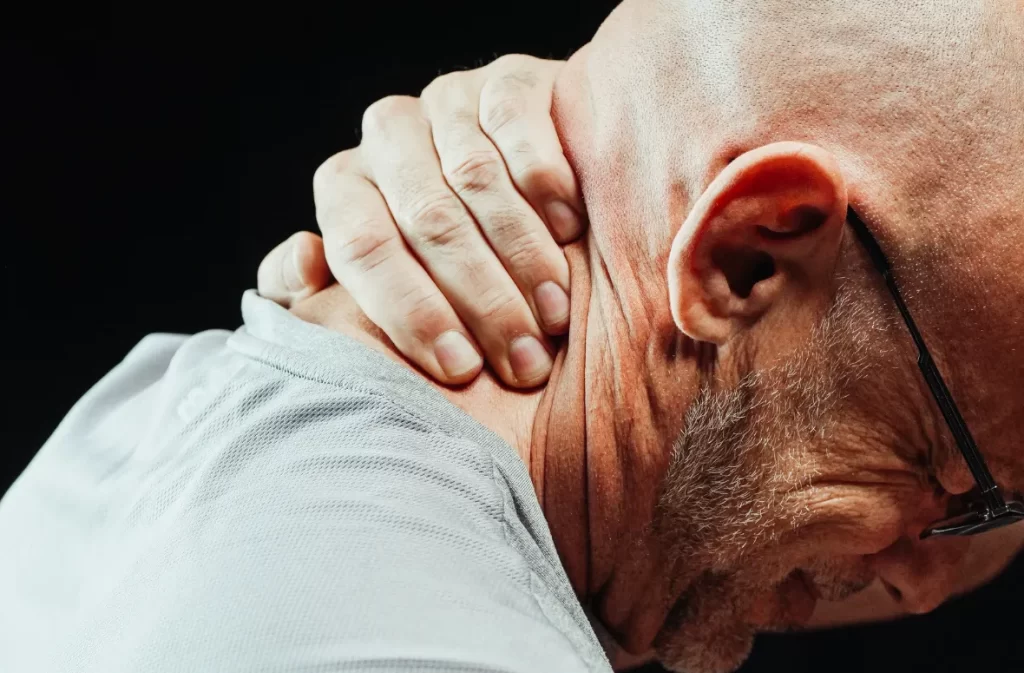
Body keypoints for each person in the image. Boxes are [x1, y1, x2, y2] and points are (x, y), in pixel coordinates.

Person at [2, 1, 1022, 672]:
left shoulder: (152, 424)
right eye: (949, 482)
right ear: (745, 257)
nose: (924, 586)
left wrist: (616, 136)